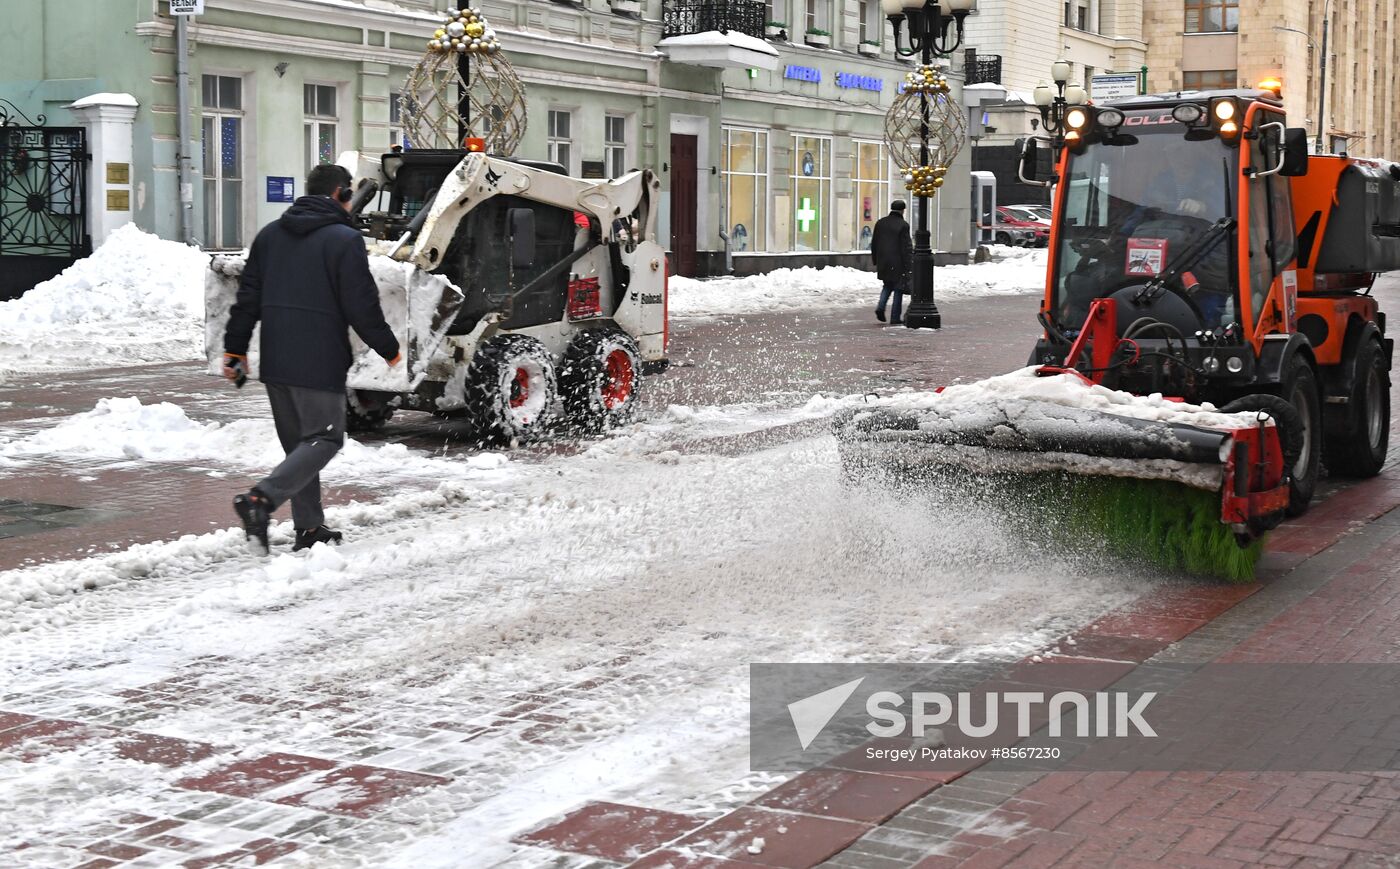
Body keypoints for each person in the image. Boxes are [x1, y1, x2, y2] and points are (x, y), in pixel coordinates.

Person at [222, 163, 401, 554]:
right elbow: (361, 304)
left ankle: (309, 528)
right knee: (324, 438)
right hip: (318, 360)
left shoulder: (269, 236)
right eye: (350, 193)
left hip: (277, 360)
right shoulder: (343, 239)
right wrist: (389, 348)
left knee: (301, 446)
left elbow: (247, 299)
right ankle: (260, 500)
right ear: (341, 193)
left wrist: (234, 350)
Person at [870, 200, 913, 324]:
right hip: (898, 262)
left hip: (883, 260)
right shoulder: (903, 225)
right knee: (898, 289)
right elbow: (906, 247)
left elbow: (874, 242)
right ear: (902, 210)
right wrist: (909, 264)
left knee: (887, 285)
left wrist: (875, 259)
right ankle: (895, 317)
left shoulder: (880, 223)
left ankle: (881, 307)